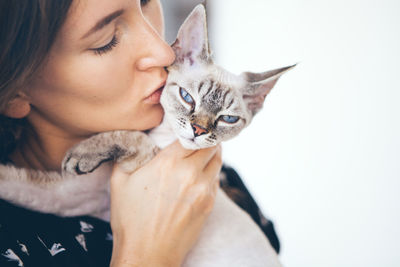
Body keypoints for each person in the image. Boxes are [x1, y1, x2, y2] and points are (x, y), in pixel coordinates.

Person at [0, 0, 280, 266]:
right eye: (106, 41)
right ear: (15, 91)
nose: (165, 52)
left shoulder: (211, 183)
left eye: (146, 1)